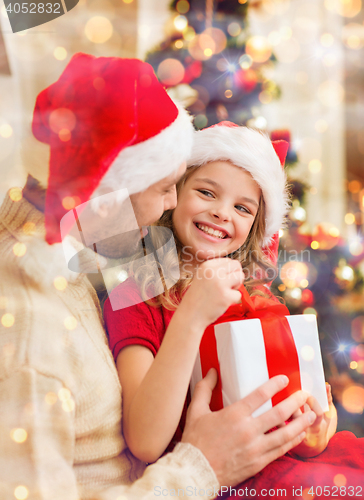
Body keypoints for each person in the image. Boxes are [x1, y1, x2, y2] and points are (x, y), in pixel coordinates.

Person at [0, 53, 314, 500]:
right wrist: (202, 467)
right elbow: (146, 439)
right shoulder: (35, 328)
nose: (170, 204)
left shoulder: (70, 268)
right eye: (169, 187)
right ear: (108, 197)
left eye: (243, 208)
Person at [104, 122, 330, 468]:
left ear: (254, 228)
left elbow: (285, 418)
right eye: (207, 193)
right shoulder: (134, 298)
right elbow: (146, 443)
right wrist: (192, 314)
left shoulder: (257, 301)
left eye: (242, 208)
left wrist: (310, 433)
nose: (222, 212)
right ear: (173, 193)